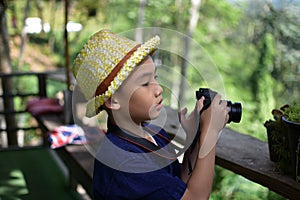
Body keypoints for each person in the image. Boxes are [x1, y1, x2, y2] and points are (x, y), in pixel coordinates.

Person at [72, 29, 229, 200]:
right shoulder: (123, 162)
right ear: (113, 101)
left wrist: (195, 137)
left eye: (155, 77)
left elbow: (179, 185)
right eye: (145, 83)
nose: (158, 88)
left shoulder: (155, 134)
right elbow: (195, 198)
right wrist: (211, 133)